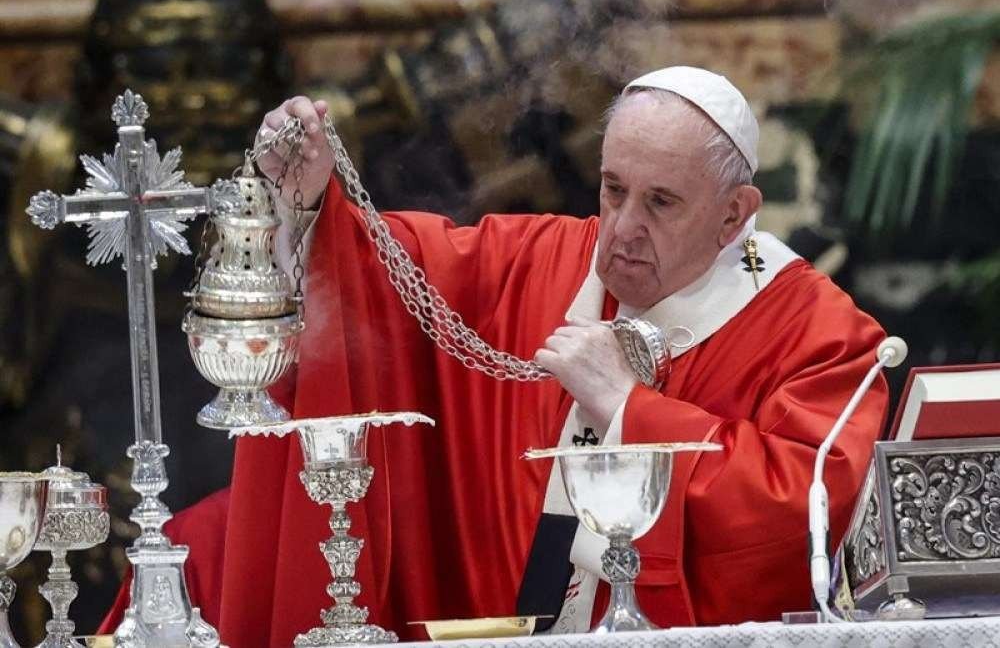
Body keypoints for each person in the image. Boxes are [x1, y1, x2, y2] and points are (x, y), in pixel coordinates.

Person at [100, 66, 887, 646]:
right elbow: (400, 274)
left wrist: (629, 407)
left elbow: (801, 513)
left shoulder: (814, 329)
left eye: (661, 203)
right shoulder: (549, 259)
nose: (620, 229)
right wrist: (311, 203)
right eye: (613, 190)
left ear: (734, 216)